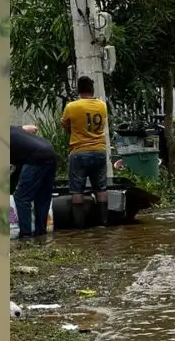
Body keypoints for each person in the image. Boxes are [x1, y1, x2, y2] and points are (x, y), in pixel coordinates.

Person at [61, 76, 108, 219]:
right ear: (92, 89)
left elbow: (66, 126)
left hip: (79, 152)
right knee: (101, 189)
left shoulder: (72, 107)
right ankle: (104, 222)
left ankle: (79, 225)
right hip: (99, 151)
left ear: (78, 90)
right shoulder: (102, 105)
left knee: (77, 191)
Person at [10, 124, 58, 239]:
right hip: (51, 152)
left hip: (36, 157)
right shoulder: (12, 129)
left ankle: (26, 236)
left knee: (21, 198)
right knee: (42, 197)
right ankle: (41, 233)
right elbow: (33, 128)